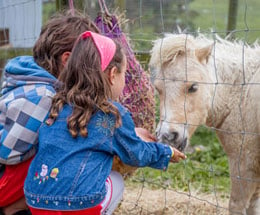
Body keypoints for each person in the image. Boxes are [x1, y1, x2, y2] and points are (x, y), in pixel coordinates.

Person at [24, 31, 186, 215]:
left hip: (36, 200)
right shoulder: (111, 114)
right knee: (115, 180)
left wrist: (131, 132)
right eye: (125, 73)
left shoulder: (57, 102)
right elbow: (135, 153)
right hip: (79, 204)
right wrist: (166, 152)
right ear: (113, 74)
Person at [0, 11, 100, 215]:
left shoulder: (27, 78)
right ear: (68, 59)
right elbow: (7, 154)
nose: (96, 71)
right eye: (91, 62)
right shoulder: (44, 96)